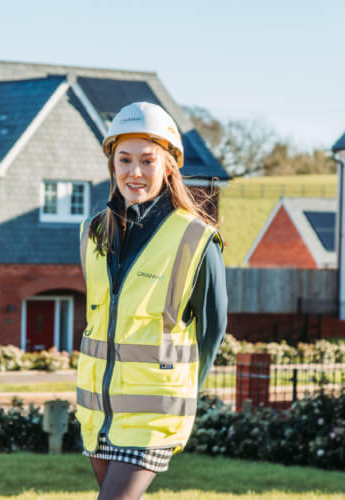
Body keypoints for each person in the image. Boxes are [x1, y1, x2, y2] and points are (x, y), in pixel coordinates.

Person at [76, 102, 227, 499]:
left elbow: (213, 329)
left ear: (169, 166)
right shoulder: (92, 233)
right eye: (124, 159)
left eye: (147, 160)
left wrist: (183, 391)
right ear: (112, 165)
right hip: (98, 412)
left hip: (155, 414)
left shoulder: (195, 238)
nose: (135, 172)